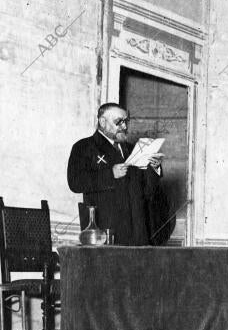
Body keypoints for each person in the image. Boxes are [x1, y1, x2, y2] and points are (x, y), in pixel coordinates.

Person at [67, 103, 171, 246]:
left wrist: (154, 169)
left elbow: (148, 192)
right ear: (102, 122)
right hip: (106, 231)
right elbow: (75, 183)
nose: (124, 126)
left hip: (138, 233)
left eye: (126, 121)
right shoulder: (84, 147)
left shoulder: (134, 149)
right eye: (118, 122)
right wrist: (110, 174)